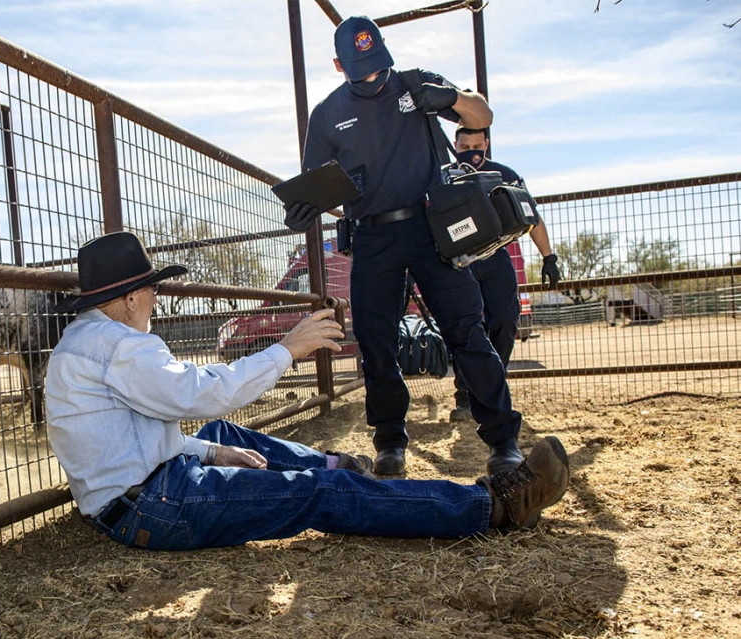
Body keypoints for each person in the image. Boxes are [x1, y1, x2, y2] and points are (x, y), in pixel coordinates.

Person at [44, 231, 570, 552]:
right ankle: (490, 506)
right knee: (315, 496)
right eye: (153, 291)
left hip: (137, 495)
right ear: (133, 296)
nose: (156, 300)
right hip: (158, 505)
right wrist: (286, 350)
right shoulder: (120, 346)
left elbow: (137, 433)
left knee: (221, 434)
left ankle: (340, 470)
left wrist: (213, 450)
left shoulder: (87, 342)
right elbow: (200, 394)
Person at [283, 15, 525, 477]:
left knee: (466, 331)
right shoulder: (327, 114)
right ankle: (390, 442)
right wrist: (306, 207)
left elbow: (482, 116)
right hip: (372, 237)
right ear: (339, 65)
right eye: (361, 69)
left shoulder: (415, 84)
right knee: (376, 342)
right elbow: (317, 183)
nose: (373, 76)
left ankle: (502, 439)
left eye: (378, 64)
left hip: (431, 228)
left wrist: (450, 97)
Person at [447, 126, 560, 421]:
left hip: (497, 258)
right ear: (455, 144)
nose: (471, 151)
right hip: (460, 263)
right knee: (466, 329)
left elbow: (531, 216)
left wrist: (549, 257)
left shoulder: (505, 175)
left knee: (506, 320)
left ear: (486, 143)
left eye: (477, 145)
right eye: (464, 145)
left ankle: (492, 387)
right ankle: (465, 396)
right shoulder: (444, 176)